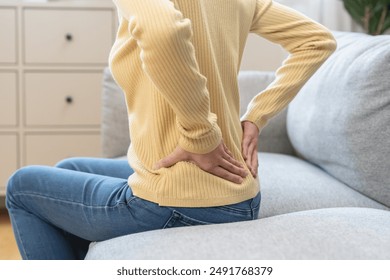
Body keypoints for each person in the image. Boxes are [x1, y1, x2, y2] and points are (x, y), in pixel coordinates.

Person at [6, 0, 336, 259]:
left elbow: (162, 30)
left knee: (21, 188)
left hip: (182, 203)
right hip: (241, 194)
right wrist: (256, 116)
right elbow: (318, 40)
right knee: (71, 168)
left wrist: (202, 136)